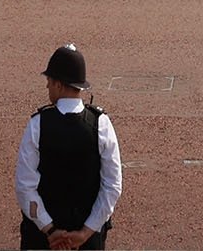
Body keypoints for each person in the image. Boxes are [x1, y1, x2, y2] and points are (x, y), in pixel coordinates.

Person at [15, 44, 123, 250]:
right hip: (87, 241)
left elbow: (25, 186)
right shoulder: (101, 123)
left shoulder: (37, 124)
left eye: (48, 81)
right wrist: (85, 232)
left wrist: (50, 230)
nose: (47, 87)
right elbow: (112, 186)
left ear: (58, 84)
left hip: (42, 240)